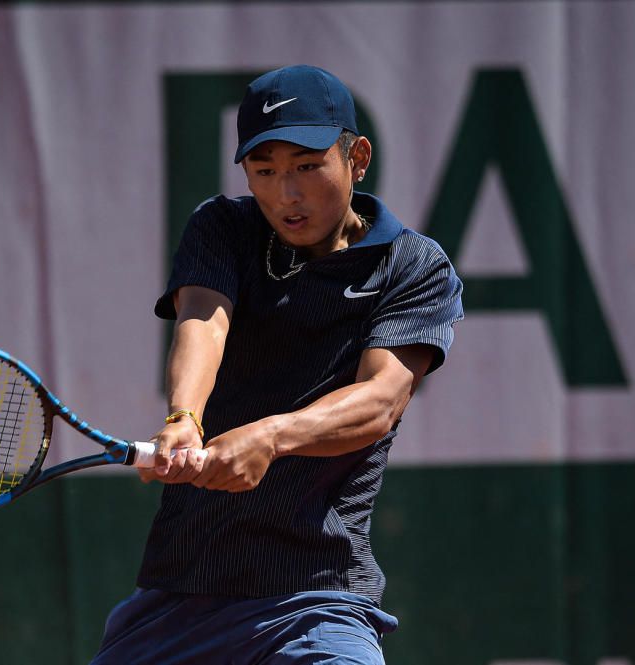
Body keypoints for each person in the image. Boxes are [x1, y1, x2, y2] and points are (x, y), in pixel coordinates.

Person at [92, 64, 464, 664]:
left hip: (317, 599)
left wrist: (271, 437)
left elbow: (379, 402)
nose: (285, 194)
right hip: (180, 593)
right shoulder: (223, 227)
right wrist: (184, 417)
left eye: (306, 167)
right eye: (264, 172)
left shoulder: (414, 267)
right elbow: (204, 319)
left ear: (357, 157)